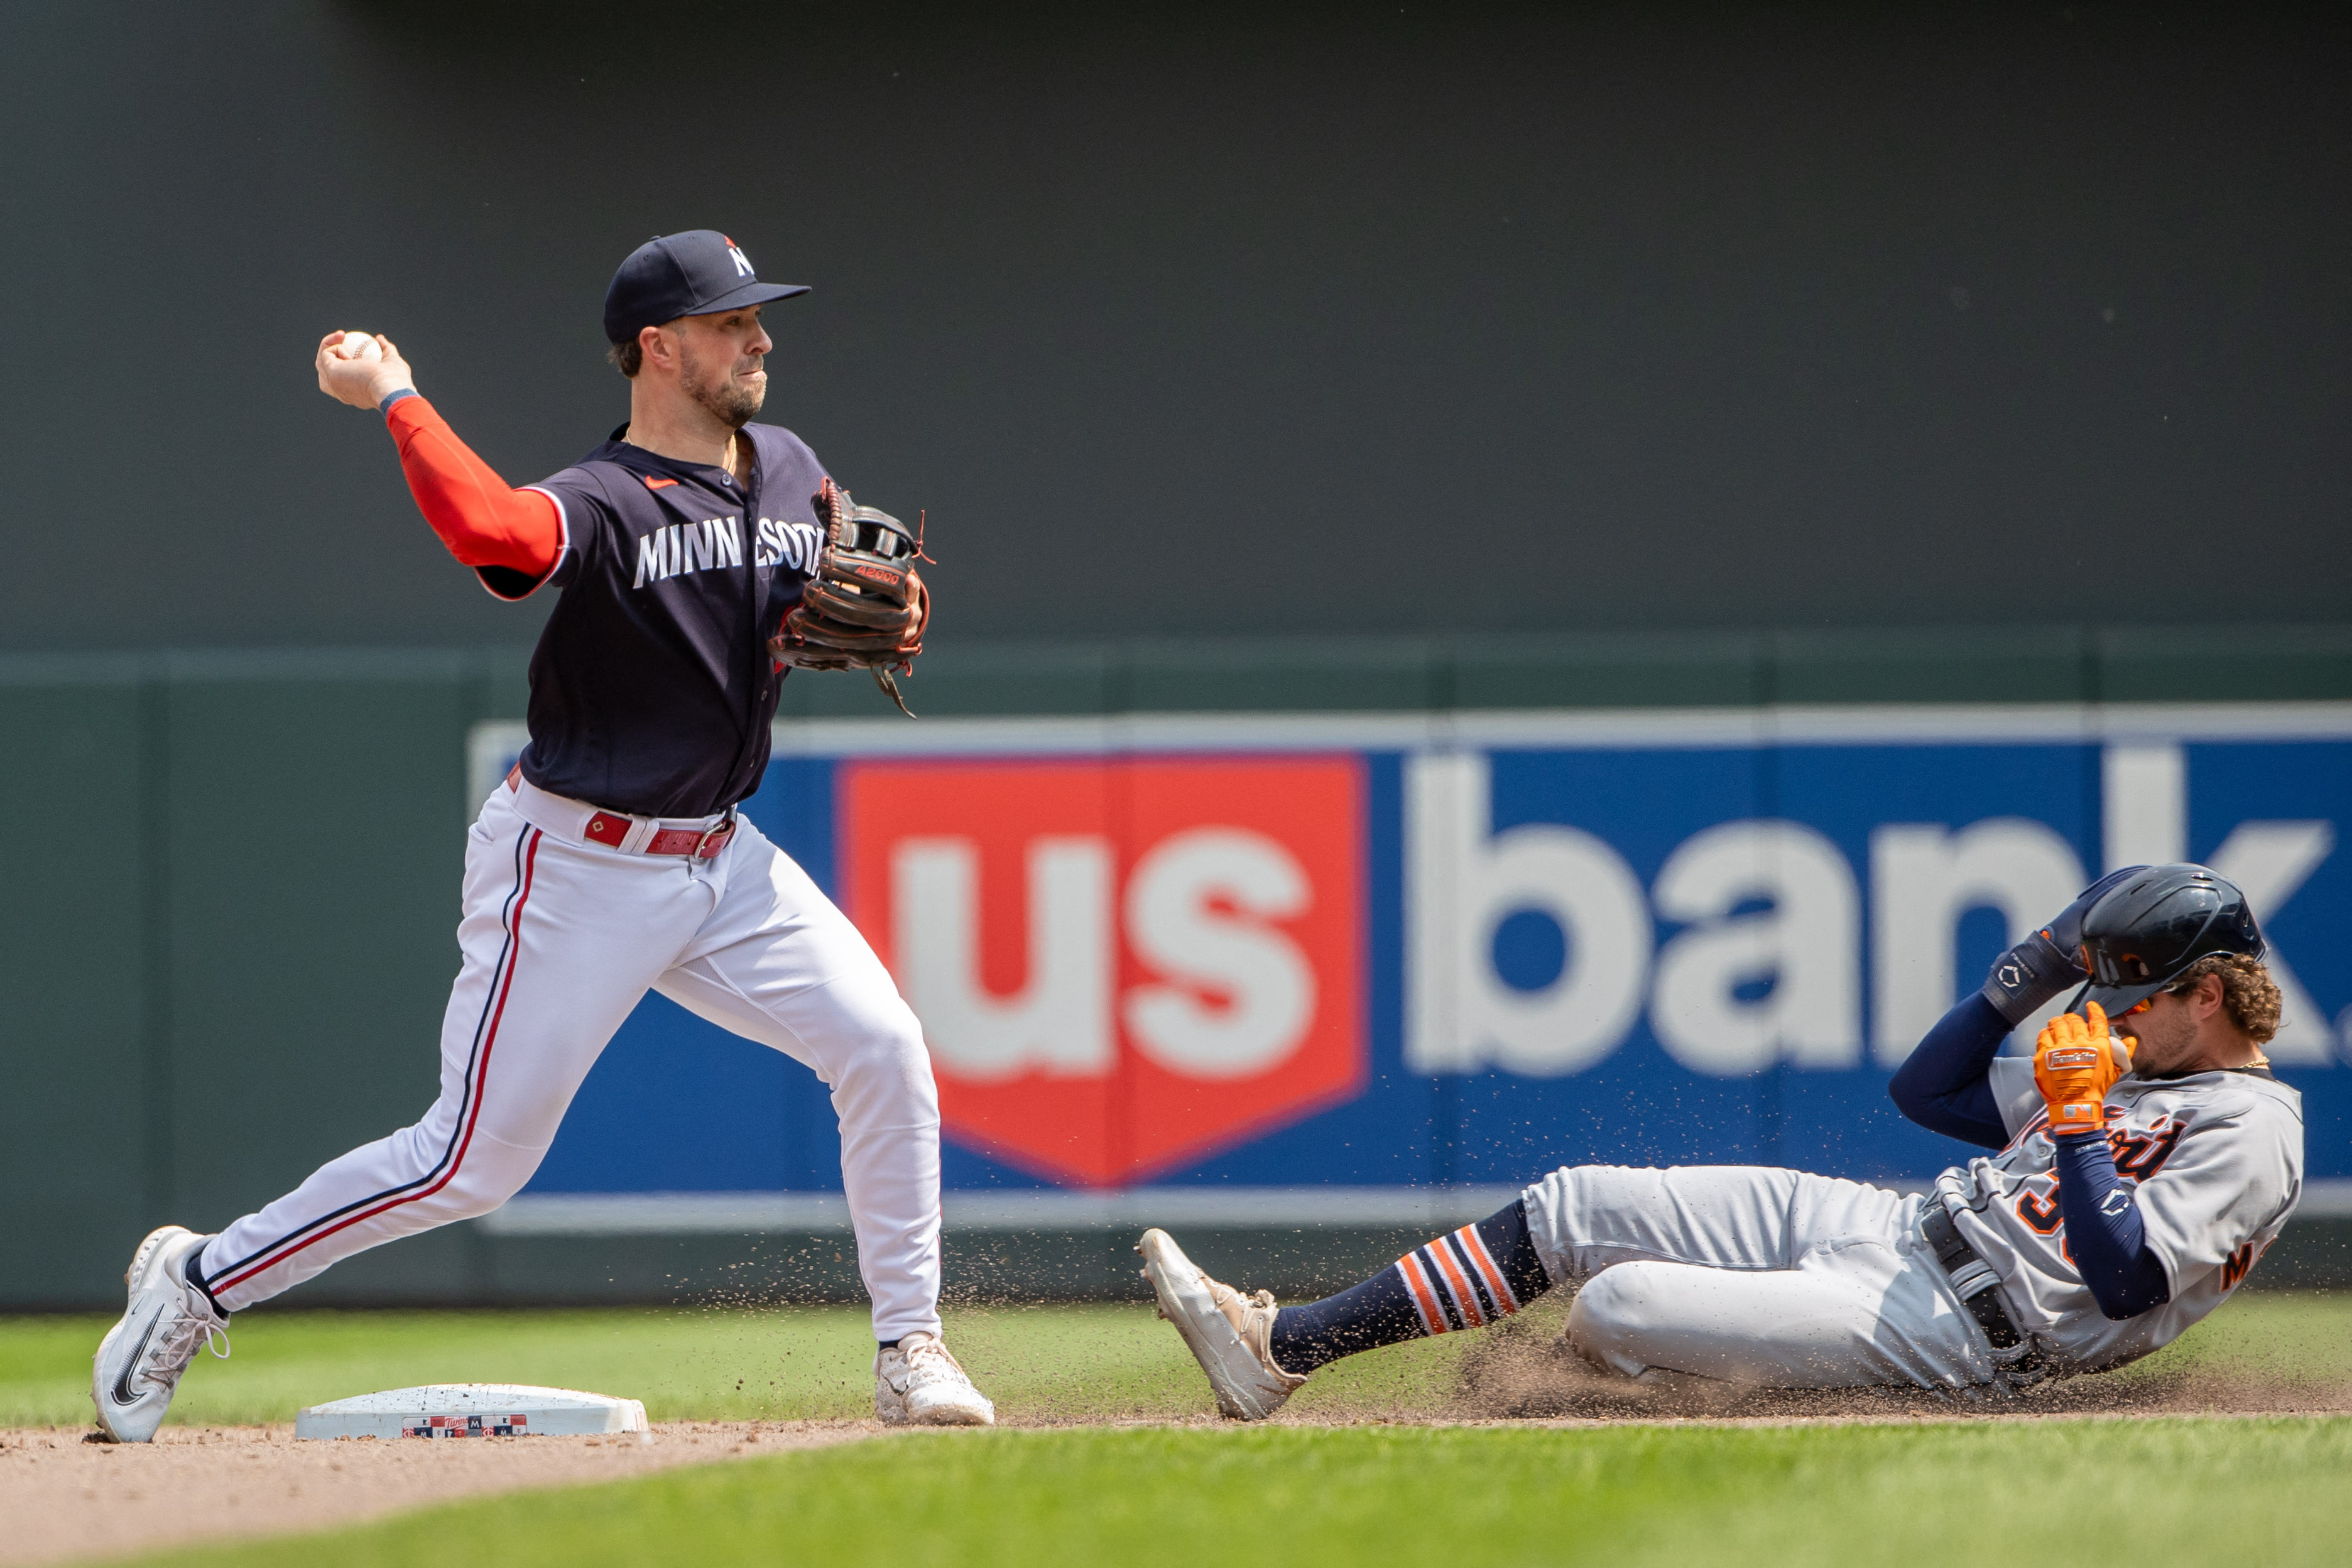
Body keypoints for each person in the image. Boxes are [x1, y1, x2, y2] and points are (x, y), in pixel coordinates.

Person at [91, 230, 993, 1441]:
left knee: (884, 1048)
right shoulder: (605, 499)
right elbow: (495, 534)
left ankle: (910, 1349)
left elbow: (798, 594)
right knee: (470, 1165)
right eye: (733, 323)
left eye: (758, 318)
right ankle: (195, 1282)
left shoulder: (787, 466)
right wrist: (398, 395)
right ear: (660, 348)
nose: (761, 338)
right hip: (575, 864)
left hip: (721, 860)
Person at [1140, 863, 2304, 1413]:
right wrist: (2022, 980)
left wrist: (2086, 1122)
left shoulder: (2253, 1133)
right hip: (1899, 1227)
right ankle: (1282, 1348)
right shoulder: (2129, 1070)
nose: (2108, 1009)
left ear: (2209, 995)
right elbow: (1929, 1091)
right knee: (1580, 1202)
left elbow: (2127, 1275)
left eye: (2133, 993)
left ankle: (1672, 1382)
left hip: (1959, 1330)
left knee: (1619, 1305)